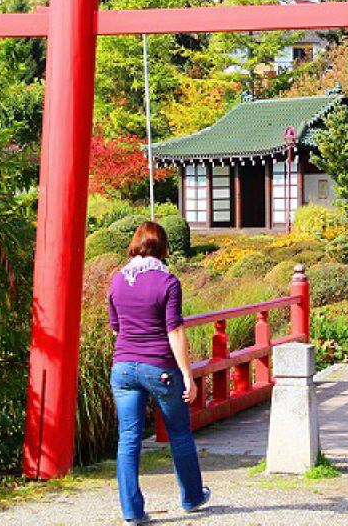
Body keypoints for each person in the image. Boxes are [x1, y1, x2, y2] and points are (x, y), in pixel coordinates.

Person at [108, 222, 211, 524]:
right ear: (164, 247)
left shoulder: (118, 280)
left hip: (123, 367)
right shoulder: (168, 282)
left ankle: (131, 511)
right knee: (179, 432)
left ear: (135, 245)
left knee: (128, 438)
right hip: (160, 367)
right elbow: (174, 331)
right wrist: (187, 375)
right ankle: (192, 497)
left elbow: (116, 328)